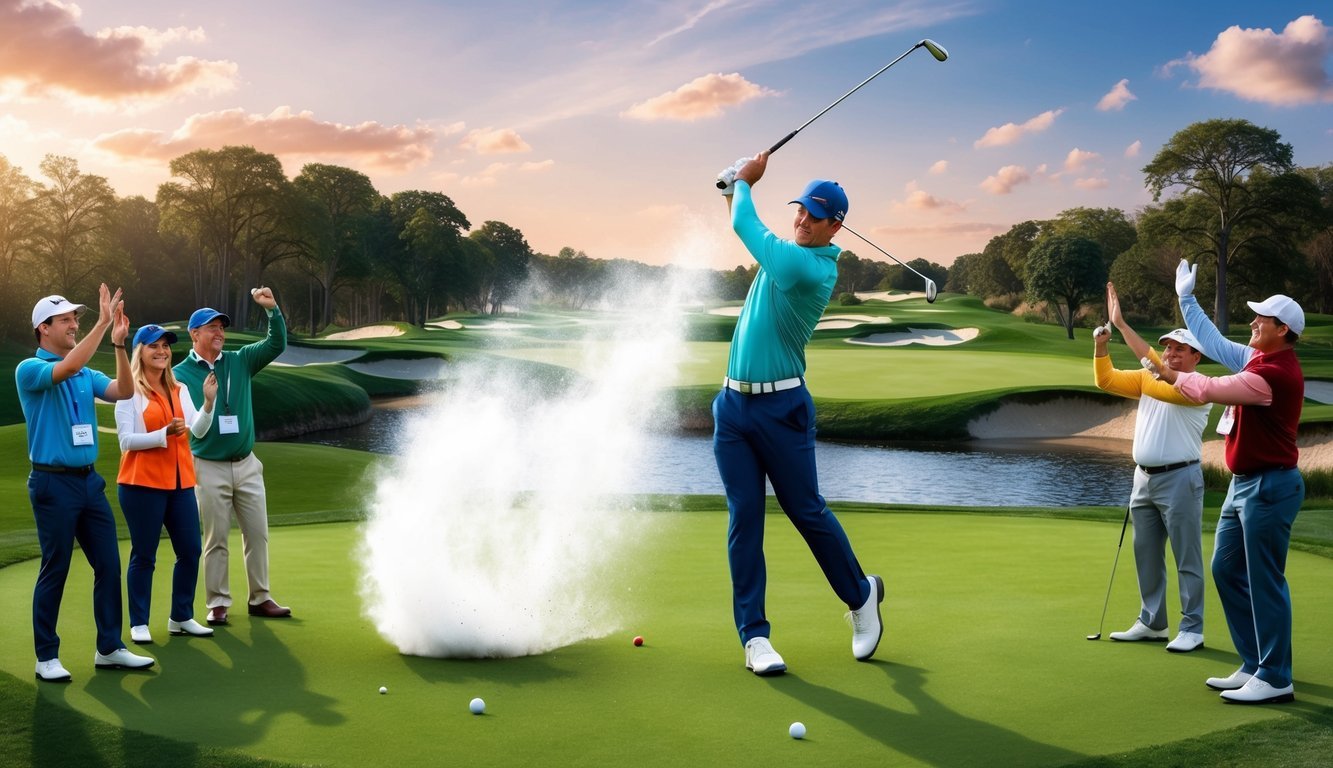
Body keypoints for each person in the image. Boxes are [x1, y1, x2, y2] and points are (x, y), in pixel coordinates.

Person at [713, 150, 882, 676]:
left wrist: (742, 181)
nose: (803, 219)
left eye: (815, 214)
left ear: (836, 226)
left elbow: (744, 221)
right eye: (801, 209)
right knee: (745, 518)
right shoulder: (787, 252)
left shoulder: (809, 269)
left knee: (806, 511)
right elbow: (744, 220)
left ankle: (860, 597)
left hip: (782, 409)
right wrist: (730, 187)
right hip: (732, 408)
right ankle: (755, 638)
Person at [1151, 259, 1305, 705]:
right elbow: (1213, 342)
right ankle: (1255, 664)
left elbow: (1210, 388)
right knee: (1225, 569)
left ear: (1283, 330)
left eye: (1263, 319)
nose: (1254, 322)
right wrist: (1186, 299)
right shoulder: (1260, 356)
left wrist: (1171, 373)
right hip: (1243, 486)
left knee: (1265, 581)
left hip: (1270, 488)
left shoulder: (1270, 375)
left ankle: (1276, 677)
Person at [17, 286, 156, 681]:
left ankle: (109, 647)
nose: (74, 324)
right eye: (66, 320)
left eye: (77, 319)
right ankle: (46, 656)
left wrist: (118, 346)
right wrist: (102, 322)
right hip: (52, 484)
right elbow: (66, 368)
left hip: (89, 483)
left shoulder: (86, 373)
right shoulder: (30, 369)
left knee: (109, 566)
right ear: (43, 328)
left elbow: (124, 392)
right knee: (56, 566)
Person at [1093, 282, 1211, 653]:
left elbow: (1158, 374)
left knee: (1186, 556)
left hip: (1181, 478)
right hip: (1142, 478)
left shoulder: (1196, 387)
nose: (1172, 353)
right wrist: (1101, 345)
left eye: (1180, 349)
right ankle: (1153, 622)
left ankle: (1192, 628)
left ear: (1196, 357)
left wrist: (1123, 325)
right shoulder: (1149, 379)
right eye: (1168, 347)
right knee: (1145, 553)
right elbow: (1107, 380)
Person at [173, 288, 290, 625]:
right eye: (212, 327)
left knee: (257, 533)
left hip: (246, 464)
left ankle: (261, 597)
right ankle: (218, 602)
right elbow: (192, 424)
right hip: (208, 466)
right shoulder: (180, 375)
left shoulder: (240, 360)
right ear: (195, 334)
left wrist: (272, 310)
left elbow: (275, 344)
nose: (220, 333)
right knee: (216, 538)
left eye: (222, 327)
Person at [114, 324, 219, 643]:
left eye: (165, 346)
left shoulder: (180, 389)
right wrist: (164, 435)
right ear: (140, 352)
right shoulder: (128, 390)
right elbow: (125, 441)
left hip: (180, 482)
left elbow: (196, 430)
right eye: (153, 346)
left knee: (190, 550)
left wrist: (209, 403)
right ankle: (139, 623)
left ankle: (181, 616)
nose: (161, 351)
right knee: (144, 554)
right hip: (141, 484)